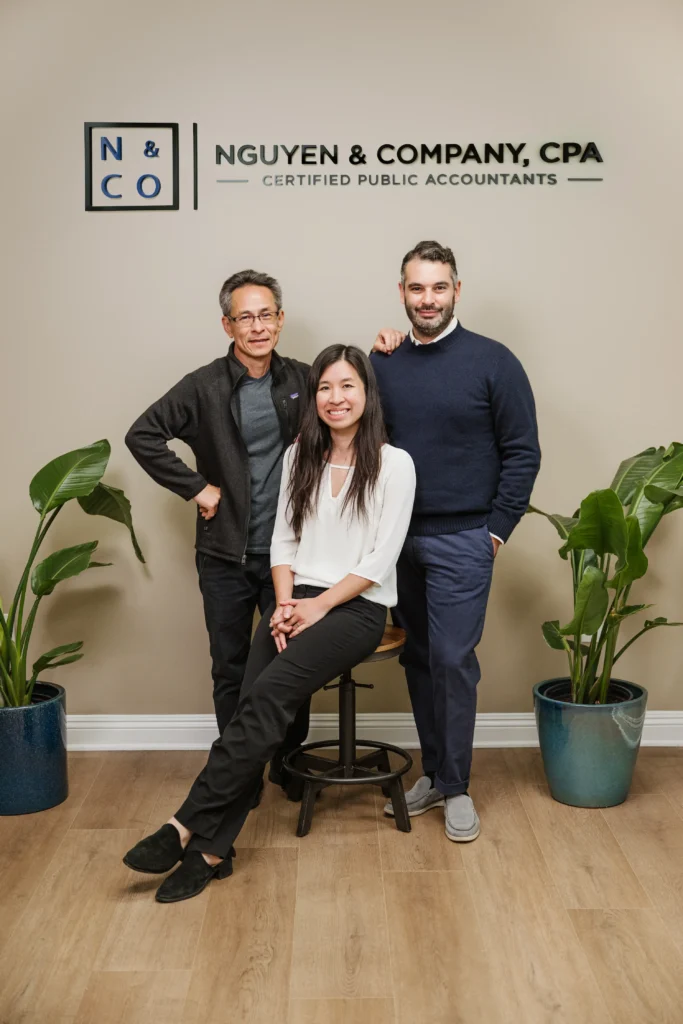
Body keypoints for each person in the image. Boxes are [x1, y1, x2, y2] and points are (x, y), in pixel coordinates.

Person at [123, 344, 416, 902]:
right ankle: (212, 850)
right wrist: (284, 603)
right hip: (295, 598)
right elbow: (283, 540)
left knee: (264, 697)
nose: (335, 397)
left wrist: (315, 606)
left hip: (355, 608)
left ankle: (182, 826)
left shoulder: (393, 463)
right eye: (325, 387)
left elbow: (378, 561)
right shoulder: (300, 454)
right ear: (315, 397)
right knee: (250, 704)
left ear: (366, 395)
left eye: (348, 386)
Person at [371, 240, 541, 842]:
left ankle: (459, 788)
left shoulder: (495, 362)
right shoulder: (382, 363)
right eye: (416, 289)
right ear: (402, 293)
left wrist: (495, 531)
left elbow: (523, 453)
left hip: (465, 538)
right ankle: (437, 773)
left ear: (456, 291)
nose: (427, 299)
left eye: (438, 288)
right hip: (398, 541)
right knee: (418, 658)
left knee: (451, 660)